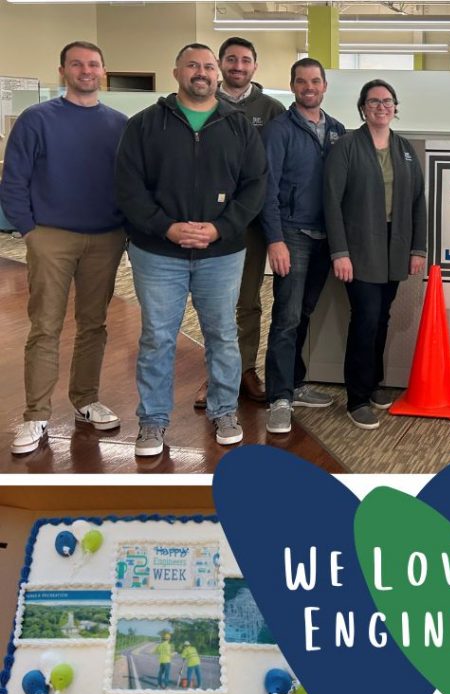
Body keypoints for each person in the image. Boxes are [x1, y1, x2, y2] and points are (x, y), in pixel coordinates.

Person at [116, 42, 267, 458]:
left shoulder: (238, 126)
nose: (201, 72)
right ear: (176, 72)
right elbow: (128, 187)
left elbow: (256, 186)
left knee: (222, 335)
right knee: (157, 338)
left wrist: (220, 229)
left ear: (217, 75)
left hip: (221, 254)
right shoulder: (144, 125)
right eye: (192, 65)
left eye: (208, 66)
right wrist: (167, 227)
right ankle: (152, 421)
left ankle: (224, 411)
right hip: (156, 252)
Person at [0, 41, 127, 455]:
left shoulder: (119, 124)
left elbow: (131, 182)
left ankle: (86, 400)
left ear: (103, 71)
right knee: (45, 326)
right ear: (63, 71)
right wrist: (29, 231)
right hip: (50, 235)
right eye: (77, 64)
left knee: (94, 324)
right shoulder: (36, 119)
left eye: (93, 64)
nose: (86, 70)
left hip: (106, 237)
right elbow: (14, 180)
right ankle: (36, 416)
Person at [188, 37, 284, 413]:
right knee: (214, 302)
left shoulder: (272, 109)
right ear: (219, 64)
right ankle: (216, 374)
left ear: (255, 67)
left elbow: (274, 169)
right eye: (231, 59)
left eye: (245, 60)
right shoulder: (202, 102)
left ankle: (244, 369)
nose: (238, 66)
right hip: (209, 221)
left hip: (253, 221)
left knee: (247, 301)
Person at [324, 79, 426, 430]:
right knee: (365, 317)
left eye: (387, 101)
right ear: (362, 108)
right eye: (373, 101)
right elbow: (331, 203)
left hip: (394, 245)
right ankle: (356, 398)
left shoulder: (406, 150)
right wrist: (340, 252)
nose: (381, 106)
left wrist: (417, 248)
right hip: (358, 247)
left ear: (395, 107)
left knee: (382, 316)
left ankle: (374, 384)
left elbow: (417, 203)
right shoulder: (347, 146)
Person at [260, 58, 344, 434]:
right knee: (287, 317)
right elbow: (268, 188)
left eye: (315, 81)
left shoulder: (339, 131)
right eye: (301, 81)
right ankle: (278, 396)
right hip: (292, 235)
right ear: (293, 87)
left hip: (327, 237)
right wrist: (275, 240)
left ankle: (295, 384)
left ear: (324, 86)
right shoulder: (279, 130)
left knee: (305, 313)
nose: (309, 87)